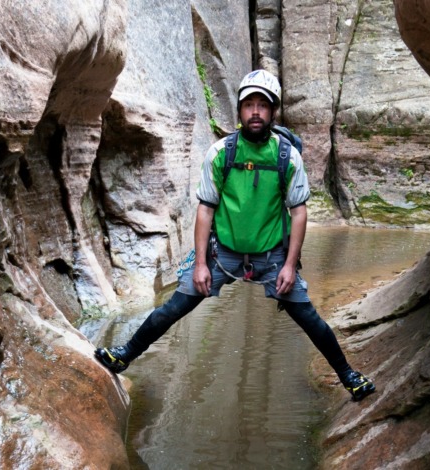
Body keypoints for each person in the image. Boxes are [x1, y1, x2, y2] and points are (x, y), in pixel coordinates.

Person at [95, 70, 376, 401]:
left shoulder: (287, 157)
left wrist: (289, 266)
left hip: (272, 255)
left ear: (273, 111)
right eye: (248, 105)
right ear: (239, 110)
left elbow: (298, 212)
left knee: (308, 317)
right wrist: (201, 264)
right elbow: (206, 209)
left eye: (263, 105)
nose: (255, 112)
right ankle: (124, 355)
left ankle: (348, 376)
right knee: (173, 308)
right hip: (222, 253)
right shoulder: (221, 153)